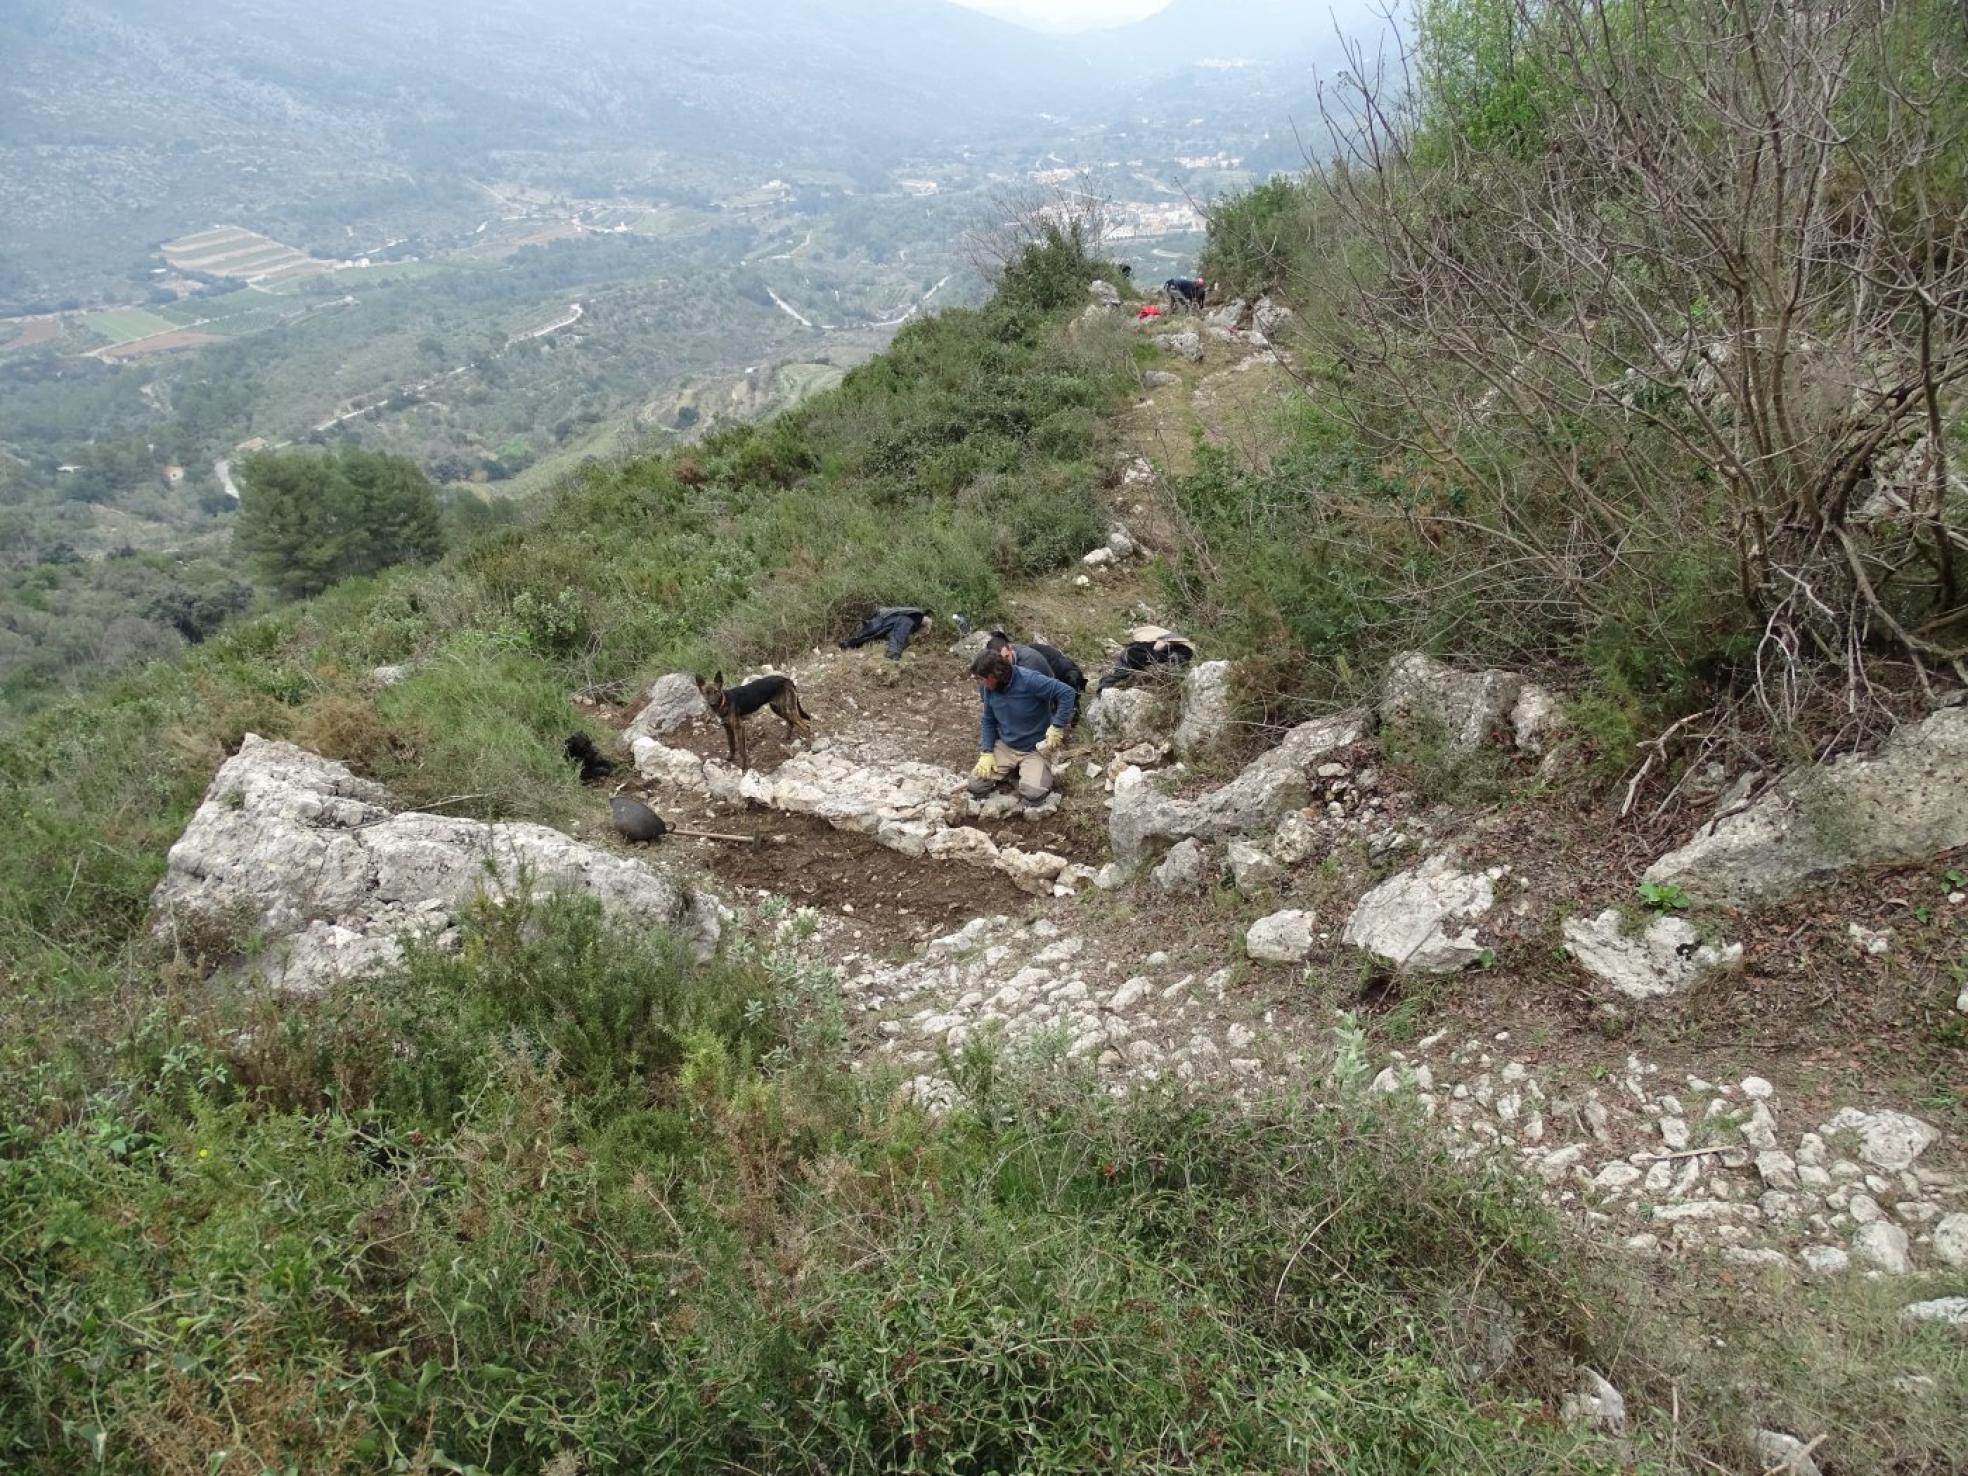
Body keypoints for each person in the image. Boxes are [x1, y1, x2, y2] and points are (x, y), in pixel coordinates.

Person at [967, 647, 1077, 804]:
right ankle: (1013, 771)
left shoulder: (1030, 680)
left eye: (980, 678)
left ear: (992, 676)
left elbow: (1067, 693)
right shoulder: (988, 688)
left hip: (1034, 749)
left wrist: (1057, 726)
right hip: (1007, 746)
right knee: (976, 785)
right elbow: (988, 720)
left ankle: (1028, 772)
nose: (979, 682)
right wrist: (986, 752)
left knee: (1033, 793)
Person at [986, 630, 1087, 709]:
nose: (1004, 663)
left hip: (1067, 675)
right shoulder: (1011, 656)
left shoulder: (1029, 662)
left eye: (1006, 658)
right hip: (1055, 675)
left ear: (1010, 648)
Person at [1095, 625, 1194, 692]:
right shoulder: (1132, 650)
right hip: (1141, 657)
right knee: (1123, 668)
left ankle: (1104, 686)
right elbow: (1156, 648)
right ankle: (1104, 687)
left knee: (1121, 670)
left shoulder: (1181, 648)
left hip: (1150, 657)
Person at [838, 605, 933, 660]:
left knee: (868, 633)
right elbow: (899, 634)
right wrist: (894, 652)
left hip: (884, 616)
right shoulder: (911, 618)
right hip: (885, 618)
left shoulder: (912, 614)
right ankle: (893, 652)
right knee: (870, 633)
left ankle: (848, 643)